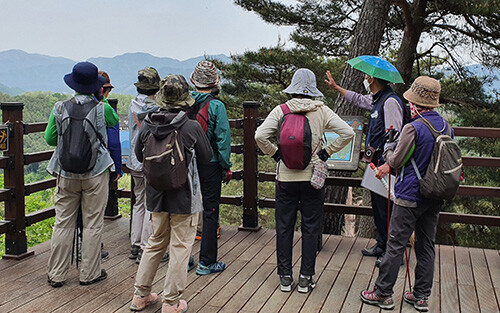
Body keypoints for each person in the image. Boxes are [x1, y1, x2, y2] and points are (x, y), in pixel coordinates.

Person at [255, 68, 354, 293]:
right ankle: (305, 278)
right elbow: (348, 133)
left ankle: (285, 277)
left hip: (286, 177)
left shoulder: (281, 110)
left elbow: (259, 136)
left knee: (284, 226)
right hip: (312, 179)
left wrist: (275, 154)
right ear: (313, 91)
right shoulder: (322, 110)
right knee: (310, 227)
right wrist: (326, 153)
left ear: (293, 89)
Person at [360, 76, 450, 311]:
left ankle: (382, 293)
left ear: (414, 103)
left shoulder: (414, 127)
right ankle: (421, 296)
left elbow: (396, 160)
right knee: (426, 245)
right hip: (435, 194)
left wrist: (389, 149)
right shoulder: (445, 126)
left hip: (409, 194)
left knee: (395, 244)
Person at [130, 74, 213, 313]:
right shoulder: (190, 126)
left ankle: (140, 295)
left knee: (156, 242)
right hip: (184, 196)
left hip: (155, 194)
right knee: (180, 246)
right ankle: (171, 302)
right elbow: (207, 157)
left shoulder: (147, 124)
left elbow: (137, 155)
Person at [45, 61, 119, 287]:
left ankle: (56, 274)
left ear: (73, 84)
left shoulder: (59, 107)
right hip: (95, 173)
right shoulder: (102, 108)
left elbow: (49, 138)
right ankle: (90, 273)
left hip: (66, 173)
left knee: (63, 223)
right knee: (93, 224)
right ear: (96, 86)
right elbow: (114, 125)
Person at [325, 69, 406, 263]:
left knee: (388, 207)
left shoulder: (390, 102)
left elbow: (395, 134)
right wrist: (337, 88)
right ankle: (382, 244)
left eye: (367, 76)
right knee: (379, 206)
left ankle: (394, 253)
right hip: (376, 161)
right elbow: (359, 99)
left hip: (386, 163)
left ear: (373, 78)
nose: (365, 78)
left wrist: (389, 163)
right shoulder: (378, 99)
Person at [189, 61, 232, 276]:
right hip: (210, 164)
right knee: (210, 212)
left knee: (184, 210)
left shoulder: (184, 102)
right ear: (215, 82)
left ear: (192, 80)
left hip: (184, 164)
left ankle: (185, 258)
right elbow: (223, 140)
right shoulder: (217, 106)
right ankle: (206, 262)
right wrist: (226, 166)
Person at [127, 67, 167, 264]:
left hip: (134, 161)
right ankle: (146, 246)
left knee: (139, 201)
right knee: (152, 204)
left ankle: (135, 243)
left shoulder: (132, 105)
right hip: (150, 160)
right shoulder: (157, 109)